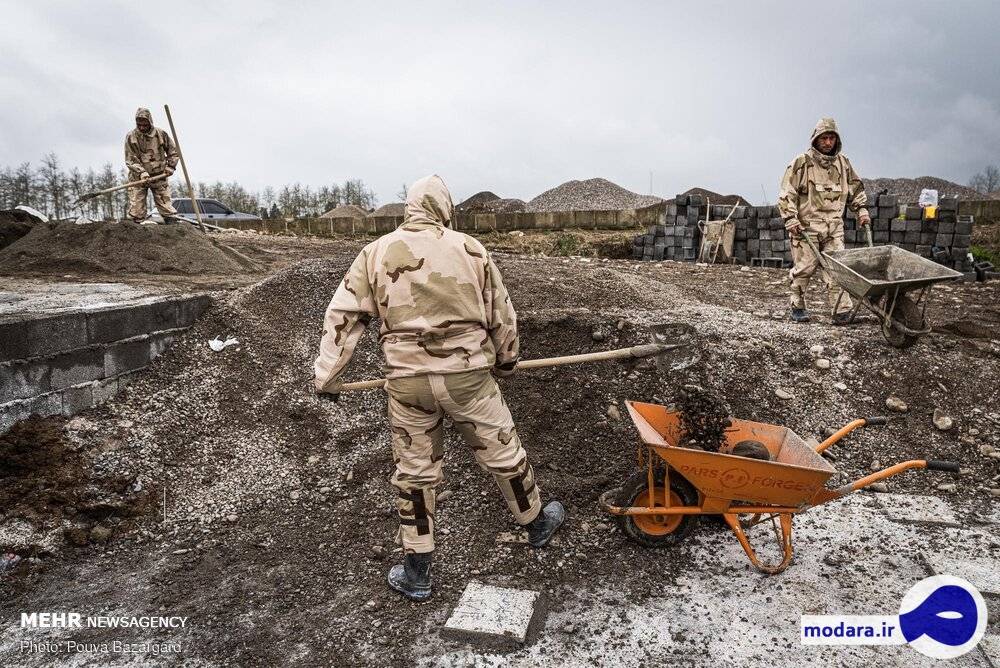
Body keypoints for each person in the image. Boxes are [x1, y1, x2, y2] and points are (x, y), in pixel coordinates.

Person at [314, 175, 565, 601]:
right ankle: (537, 523)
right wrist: (506, 360)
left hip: (407, 382)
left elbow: (343, 315)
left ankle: (417, 572)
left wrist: (328, 376)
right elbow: (501, 313)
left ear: (409, 207)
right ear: (445, 207)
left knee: (414, 472)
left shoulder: (374, 253)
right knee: (503, 449)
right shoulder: (470, 248)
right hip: (468, 378)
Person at [778, 118, 869, 324]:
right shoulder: (801, 163)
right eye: (824, 138)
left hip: (834, 227)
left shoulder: (844, 164)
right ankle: (797, 305)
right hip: (806, 228)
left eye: (832, 138)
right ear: (816, 139)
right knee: (805, 268)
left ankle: (841, 311)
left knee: (837, 269)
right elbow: (787, 193)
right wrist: (790, 218)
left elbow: (856, 189)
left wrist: (861, 209)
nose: (828, 143)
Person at [124, 108, 179, 223]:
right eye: (139, 125)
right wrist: (142, 173)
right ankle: (135, 231)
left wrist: (171, 166)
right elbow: (130, 159)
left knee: (167, 208)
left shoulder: (161, 134)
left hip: (159, 175)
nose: (142, 127)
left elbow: (173, 152)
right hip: (138, 178)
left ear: (150, 122)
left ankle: (173, 229)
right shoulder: (131, 137)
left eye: (145, 125)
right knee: (136, 211)